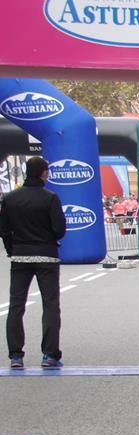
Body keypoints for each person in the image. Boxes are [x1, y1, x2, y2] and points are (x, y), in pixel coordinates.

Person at [1, 157, 65, 370]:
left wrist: (13, 249)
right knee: (50, 305)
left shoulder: (10, 199)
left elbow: (3, 229)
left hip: (20, 255)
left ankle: (15, 355)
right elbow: (59, 229)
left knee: (16, 306)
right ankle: (49, 355)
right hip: (46, 255)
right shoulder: (50, 198)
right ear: (43, 173)